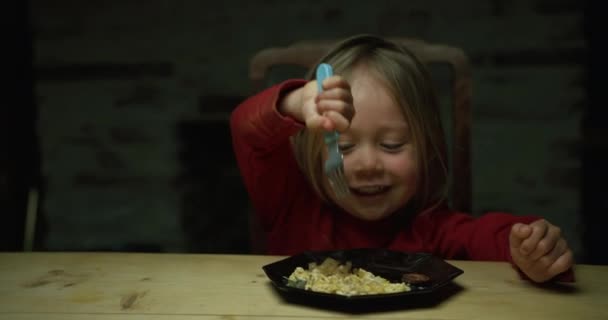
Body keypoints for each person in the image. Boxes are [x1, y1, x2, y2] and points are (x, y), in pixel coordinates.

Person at [230, 34, 574, 283]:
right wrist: (296, 103)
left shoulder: (433, 230)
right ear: (311, 149)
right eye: (344, 147)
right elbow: (247, 129)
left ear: (427, 149)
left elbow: (497, 238)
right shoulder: (290, 206)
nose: (367, 165)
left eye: (392, 145)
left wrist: (534, 250)